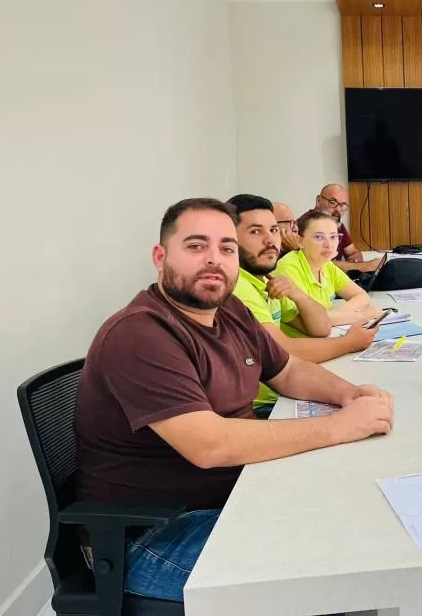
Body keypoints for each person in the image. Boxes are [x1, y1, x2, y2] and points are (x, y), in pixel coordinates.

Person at [74, 197, 394, 603]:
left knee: (351, 518)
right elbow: (210, 445)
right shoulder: (140, 334)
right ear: (160, 257)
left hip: (232, 494)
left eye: (226, 247)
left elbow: (289, 369)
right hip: (150, 535)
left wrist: (349, 394)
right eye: (195, 246)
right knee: (336, 567)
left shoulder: (231, 309)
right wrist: (339, 426)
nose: (214, 259)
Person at [228, 194, 376, 416]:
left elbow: (319, 328)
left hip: (284, 392)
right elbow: (282, 351)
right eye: (256, 231)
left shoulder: (266, 280)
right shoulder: (238, 286)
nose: (270, 240)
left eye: (274, 230)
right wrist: (350, 342)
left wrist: (298, 295)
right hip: (261, 408)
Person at [275, 210, 383, 326]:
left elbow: (362, 296)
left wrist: (329, 315)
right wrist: (362, 316)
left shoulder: (326, 265)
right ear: (300, 241)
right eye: (318, 237)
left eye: (333, 236)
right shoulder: (287, 268)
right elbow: (310, 324)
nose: (329, 244)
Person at [312, 183, 382, 273]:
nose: (338, 210)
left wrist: (354, 260)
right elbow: (320, 264)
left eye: (342, 206)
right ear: (318, 201)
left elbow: (353, 252)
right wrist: (367, 266)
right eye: (332, 203)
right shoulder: (304, 226)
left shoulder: (335, 222)